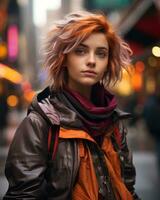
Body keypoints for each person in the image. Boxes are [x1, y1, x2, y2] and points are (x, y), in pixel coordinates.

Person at [3, 11, 140, 200]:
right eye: (81, 51)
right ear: (64, 58)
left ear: (108, 63)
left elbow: (128, 189)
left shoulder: (114, 124)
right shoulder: (39, 125)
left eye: (101, 53)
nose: (91, 61)